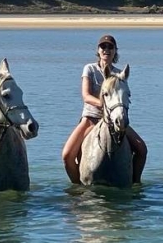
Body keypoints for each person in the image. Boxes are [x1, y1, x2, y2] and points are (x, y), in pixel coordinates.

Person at [62, 34, 147, 184]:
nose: (106, 49)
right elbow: (86, 95)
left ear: (115, 51)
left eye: (110, 47)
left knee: (141, 149)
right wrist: (103, 104)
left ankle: (135, 182)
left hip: (114, 120)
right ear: (98, 50)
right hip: (90, 118)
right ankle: (77, 186)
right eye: (103, 47)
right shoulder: (90, 69)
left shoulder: (119, 74)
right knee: (67, 155)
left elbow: (122, 98)